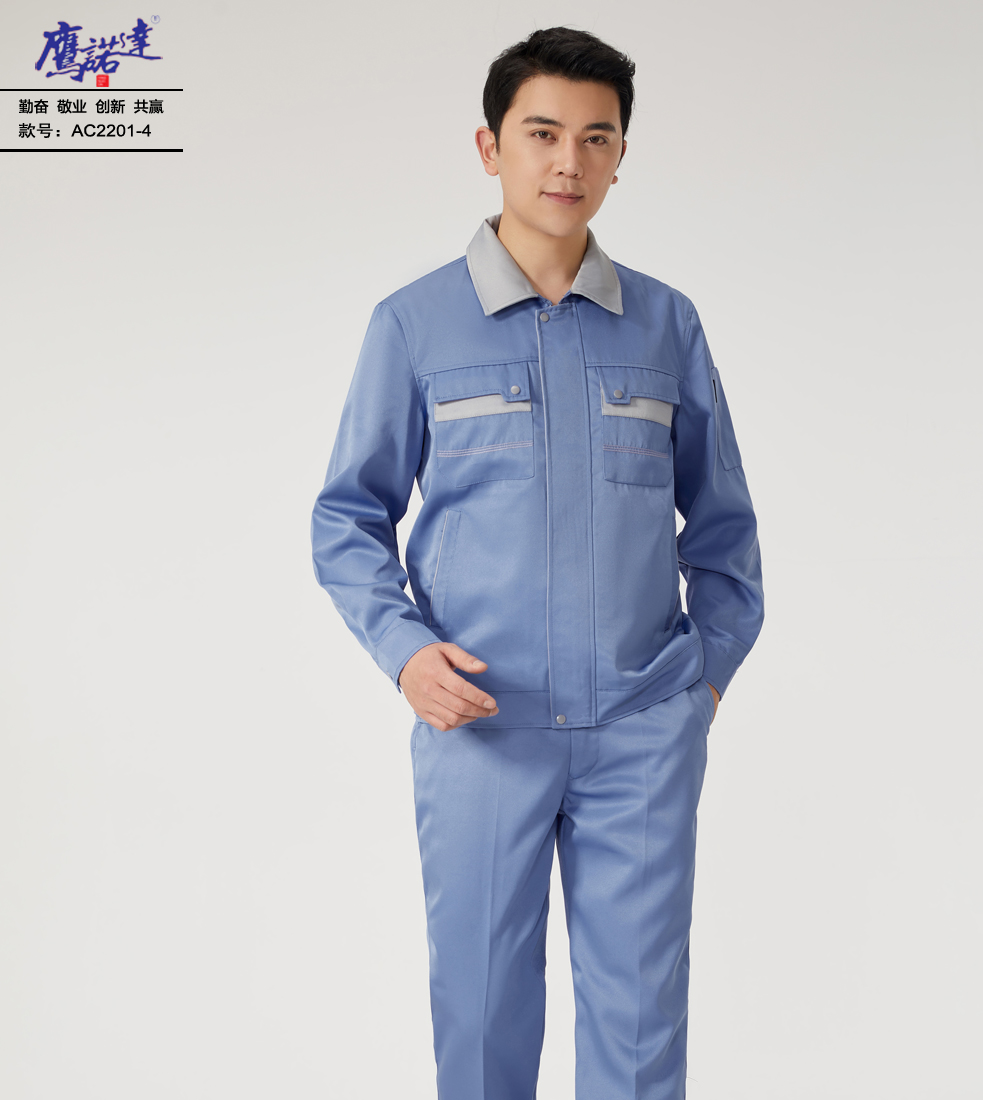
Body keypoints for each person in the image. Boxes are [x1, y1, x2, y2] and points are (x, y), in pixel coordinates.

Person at [311, 26, 764, 1100]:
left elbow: (725, 531)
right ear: (491, 146)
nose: (569, 161)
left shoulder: (666, 325)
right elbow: (347, 516)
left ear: (620, 156)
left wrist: (697, 684)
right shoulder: (414, 324)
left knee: (640, 1026)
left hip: (639, 732)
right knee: (479, 1018)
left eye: (596, 138)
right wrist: (404, 652)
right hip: (481, 725)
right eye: (543, 133)